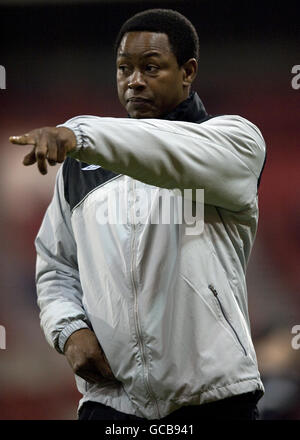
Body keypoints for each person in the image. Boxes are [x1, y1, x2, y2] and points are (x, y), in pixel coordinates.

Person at [10, 9, 266, 421]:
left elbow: (160, 150)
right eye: (123, 69)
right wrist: (69, 330)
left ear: (188, 71)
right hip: (110, 404)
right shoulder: (80, 168)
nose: (134, 81)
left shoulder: (234, 142)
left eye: (150, 67)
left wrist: (79, 133)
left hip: (214, 400)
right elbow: (55, 265)